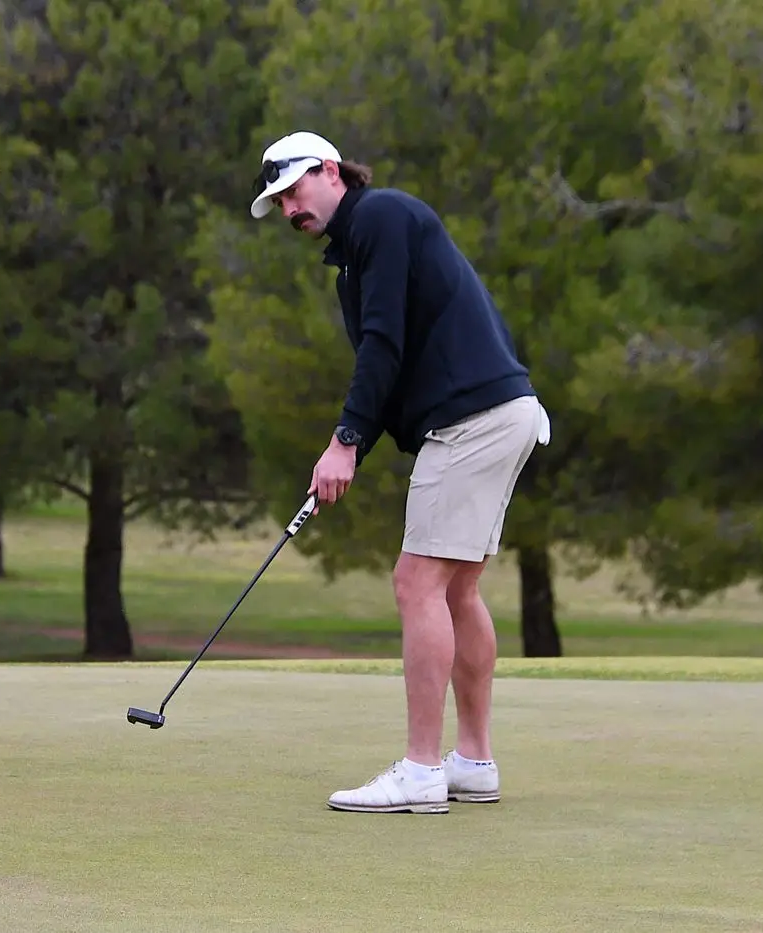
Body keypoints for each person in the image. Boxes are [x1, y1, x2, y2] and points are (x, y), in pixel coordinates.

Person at [249, 130, 551, 814]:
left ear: (330, 172)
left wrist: (345, 441)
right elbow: (386, 371)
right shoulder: (355, 258)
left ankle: (421, 771)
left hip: (473, 417)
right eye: (280, 202)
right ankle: (471, 760)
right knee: (455, 589)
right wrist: (346, 450)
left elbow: (382, 345)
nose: (291, 210)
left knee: (417, 581)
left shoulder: (380, 215)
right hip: (498, 412)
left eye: (295, 191)